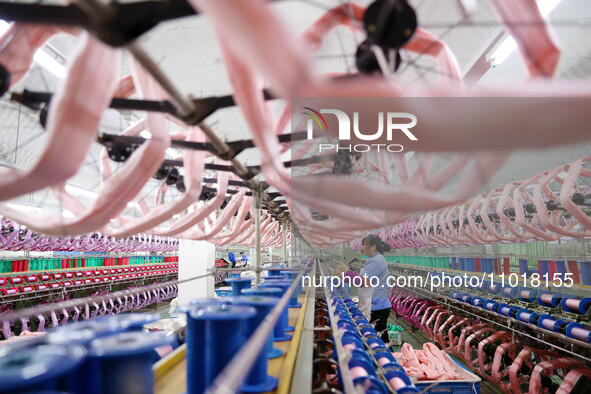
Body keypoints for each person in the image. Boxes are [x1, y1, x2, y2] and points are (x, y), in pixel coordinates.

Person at [334, 234, 392, 344]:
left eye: (365, 246)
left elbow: (363, 282)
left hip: (377, 306)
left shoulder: (376, 261)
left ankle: (390, 360)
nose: (363, 249)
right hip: (376, 305)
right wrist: (344, 275)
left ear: (373, 246)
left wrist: (347, 272)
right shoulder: (375, 260)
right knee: (378, 338)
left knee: (379, 341)